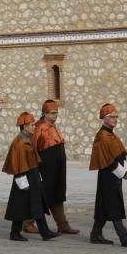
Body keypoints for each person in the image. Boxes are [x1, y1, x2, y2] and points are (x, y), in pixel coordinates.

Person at [89, 103, 127, 247]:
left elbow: (119, 154)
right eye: (112, 117)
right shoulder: (103, 136)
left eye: (116, 117)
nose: (115, 119)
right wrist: (123, 173)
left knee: (103, 206)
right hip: (108, 175)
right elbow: (107, 160)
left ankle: (95, 234)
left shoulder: (111, 134)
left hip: (114, 175)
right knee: (114, 205)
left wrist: (125, 169)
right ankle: (124, 238)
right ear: (104, 118)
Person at [25, 100, 79, 235]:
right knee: (45, 194)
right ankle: (28, 222)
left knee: (58, 193)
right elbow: (33, 147)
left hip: (58, 166)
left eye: (57, 113)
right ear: (45, 113)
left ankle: (62, 224)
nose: (56, 115)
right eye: (53, 113)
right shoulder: (39, 127)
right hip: (46, 167)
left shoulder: (53, 126)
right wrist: (35, 168)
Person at [3, 113, 59, 241]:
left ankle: (45, 232)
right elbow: (17, 163)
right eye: (32, 125)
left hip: (32, 174)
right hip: (23, 176)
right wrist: (22, 182)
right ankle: (14, 233)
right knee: (20, 205)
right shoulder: (19, 143)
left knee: (37, 203)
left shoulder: (28, 138)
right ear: (25, 126)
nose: (35, 126)